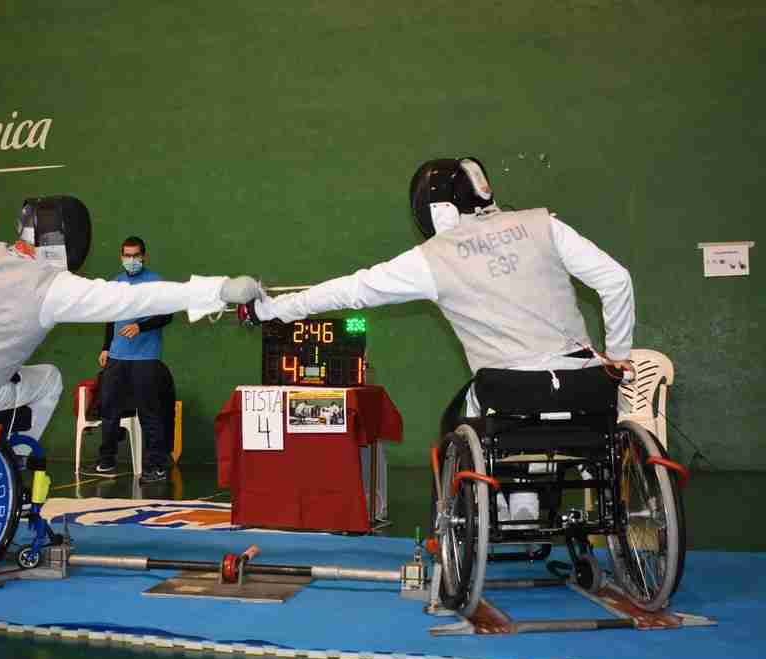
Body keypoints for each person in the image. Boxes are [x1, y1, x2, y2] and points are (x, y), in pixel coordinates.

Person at [242, 157, 635, 525]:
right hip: (584, 383)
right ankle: (530, 496)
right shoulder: (543, 224)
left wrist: (270, 309)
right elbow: (617, 280)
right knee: (558, 414)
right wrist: (617, 356)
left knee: (459, 419)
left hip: (509, 389)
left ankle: (505, 502)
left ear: (435, 209)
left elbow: (350, 291)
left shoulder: (433, 258)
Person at [0, 195, 261, 448]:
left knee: (29, 376)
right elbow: (137, 297)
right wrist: (220, 289)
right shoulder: (54, 287)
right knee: (49, 379)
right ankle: (16, 463)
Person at [93, 236, 176, 483]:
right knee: (108, 410)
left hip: (145, 359)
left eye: (136, 255)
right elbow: (110, 317)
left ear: (144, 256)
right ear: (121, 257)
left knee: (149, 413)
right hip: (117, 357)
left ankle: (156, 466)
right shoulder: (115, 283)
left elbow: (167, 316)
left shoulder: (155, 282)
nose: (131, 260)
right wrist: (106, 347)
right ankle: (107, 460)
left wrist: (141, 327)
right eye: (127, 256)